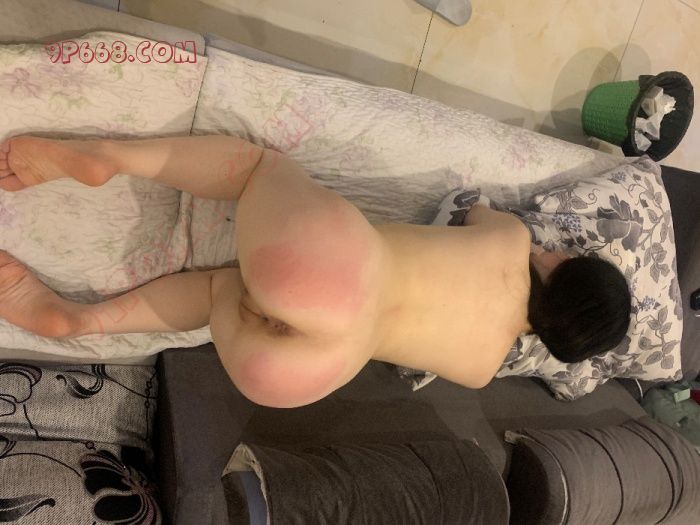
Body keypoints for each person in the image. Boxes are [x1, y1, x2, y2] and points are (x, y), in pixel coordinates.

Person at [0, 135, 631, 408]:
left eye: (571, 258)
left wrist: (524, 240)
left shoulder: (512, 239)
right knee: (224, 288)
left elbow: (477, 210)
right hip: (308, 370)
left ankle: (107, 157)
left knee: (259, 167)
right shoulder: (481, 368)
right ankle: (78, 320)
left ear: (568, 274)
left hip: (340, 271)